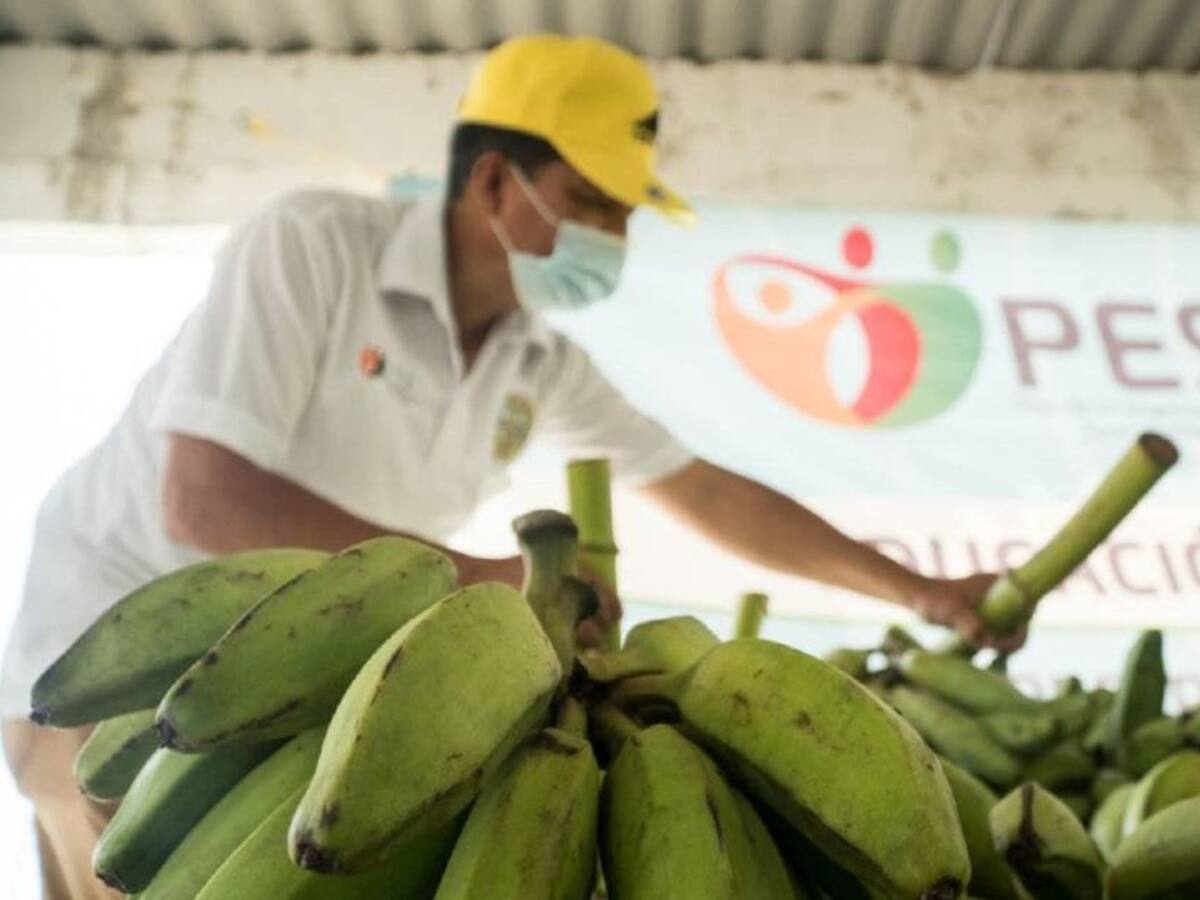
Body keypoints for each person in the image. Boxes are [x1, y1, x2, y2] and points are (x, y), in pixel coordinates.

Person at [1, 33, 1021, 899]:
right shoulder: (312, 246)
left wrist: (922, 591)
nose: (613, 236)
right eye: (593, 201)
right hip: (132, 685)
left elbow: (707, 490)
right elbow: (208, 496)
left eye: (625, 213)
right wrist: (495, 581)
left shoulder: (540, 360)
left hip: (343, 703)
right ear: (495, 178)